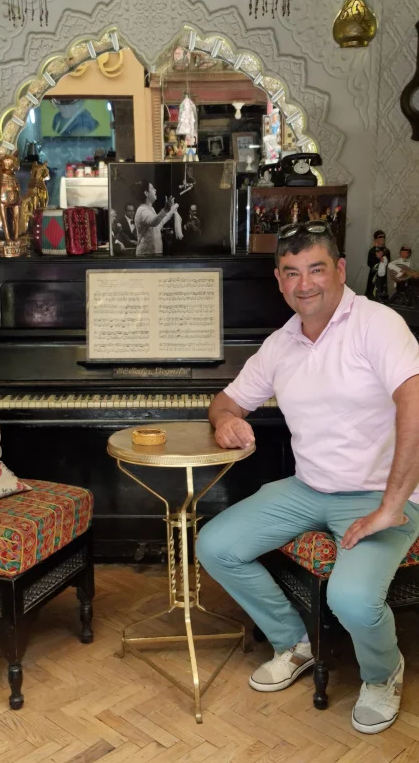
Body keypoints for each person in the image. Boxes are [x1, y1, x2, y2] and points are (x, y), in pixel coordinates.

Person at [196, 220, 419, 735]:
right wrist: (225, 420)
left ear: (340, 270)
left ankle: (384, 673)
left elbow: (414, 402)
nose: (305, 284)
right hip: (308, 488)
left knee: (351, 598)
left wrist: (391, 506)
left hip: (379, 493)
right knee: (215, 545)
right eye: (292, 272)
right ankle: (295, 642)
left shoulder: (377, 324)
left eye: (316, 269)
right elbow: (225, 401)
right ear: (279, 280)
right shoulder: (281, 343)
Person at [133, 179, 180, 257]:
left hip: (154, 253)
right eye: (152, 188)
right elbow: (153, 222)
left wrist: (171, 210)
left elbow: (159, 223)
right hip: (146, 256)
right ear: (146, 193)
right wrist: (165, 209)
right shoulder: (142, 210)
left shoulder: (151, 209)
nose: (155, 190)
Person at [366, 229, 391, 300]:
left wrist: (384, 259)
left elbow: (388, 262)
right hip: (374, 275)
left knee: (382, 288)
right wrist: (378, 259)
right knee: (372, 291)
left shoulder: (386, 251)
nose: (382, 238)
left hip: (383, 275)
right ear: (376, 239)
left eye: (383, 237)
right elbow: (369, 263)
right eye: (380, 237)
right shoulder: (372, 251)